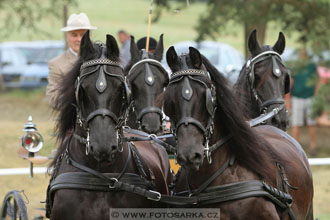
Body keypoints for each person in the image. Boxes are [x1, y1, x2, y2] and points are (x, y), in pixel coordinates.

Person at [46, 13, 96, 109]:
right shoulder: (56, 64)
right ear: (67, 37)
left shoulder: (101, 61)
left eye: (83, 35)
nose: (79, 39)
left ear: (90, 36)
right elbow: (54, 100)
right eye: (74, 35)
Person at [291, 48, 318, 156]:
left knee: (312, 123)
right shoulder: (295, 67)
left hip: (310, 98)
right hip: (297, 98)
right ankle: (295, 148)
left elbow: (316, 81)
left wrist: (316, 95)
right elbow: (291, 82)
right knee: (296, 124)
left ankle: (312, 147)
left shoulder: (312, 66)